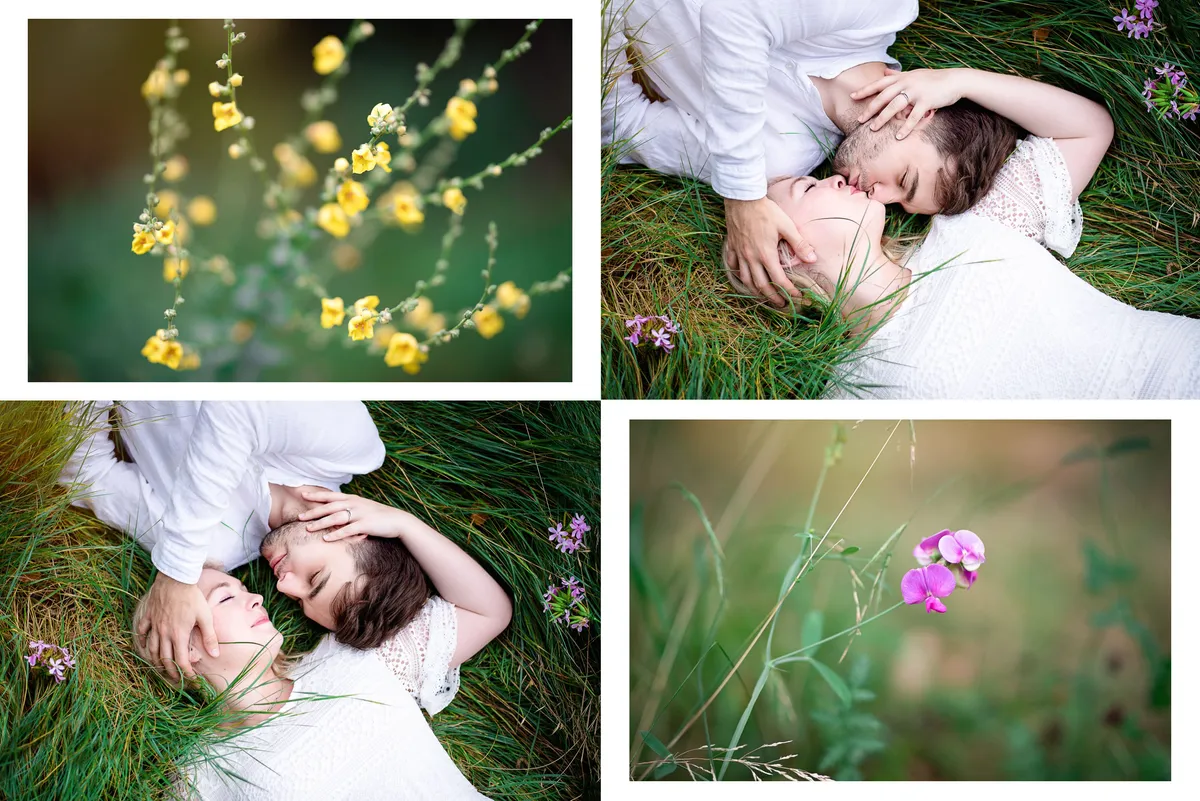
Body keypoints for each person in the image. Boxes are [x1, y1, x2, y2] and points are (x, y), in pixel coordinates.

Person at [727, 67, 1200, 398]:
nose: (832, 177)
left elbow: (1086, 130)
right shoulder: (852, 390)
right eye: (808, 186)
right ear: (783, 253)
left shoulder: (972, 230)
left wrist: (961, 80)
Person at [602, 0, 1018, 307]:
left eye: (899, 203)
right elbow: (734, 12)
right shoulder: (881, 12)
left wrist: (603, 14)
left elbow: (619, 125)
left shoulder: (774, 161)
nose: (881, 197)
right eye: (904, 182)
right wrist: (741, 195)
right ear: (917, 110)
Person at [60, 401, 386, 681]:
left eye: (298, 601)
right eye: (315, 578)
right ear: (355, 532)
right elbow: (233, 404)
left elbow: (87, 478)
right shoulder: (353, 449)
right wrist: (176, 569)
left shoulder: (210, 552)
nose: (283, 587)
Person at [132, 559, 496, 800]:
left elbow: (487, 611)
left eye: (245, 589)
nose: (257, 598)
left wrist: (399, 523)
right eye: (226, 597)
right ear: (185, 647)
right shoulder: (201, 774)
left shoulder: (350, 658)